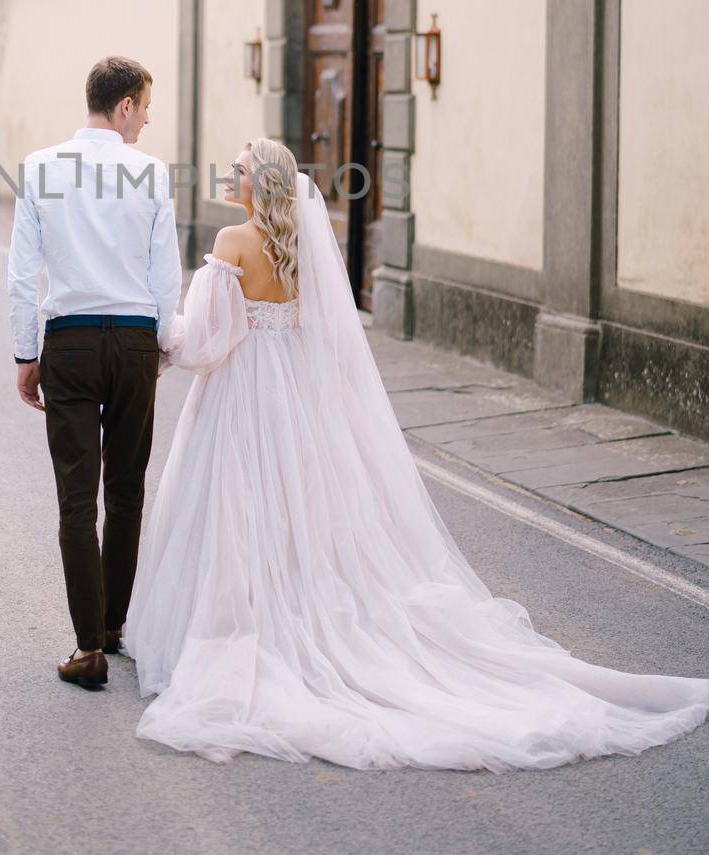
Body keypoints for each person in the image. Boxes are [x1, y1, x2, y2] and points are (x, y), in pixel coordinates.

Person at [122, 137, 709, 771]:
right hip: (290, 398)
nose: (227, 176)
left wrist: (163, 343)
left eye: (236, 170)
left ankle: (249, 621)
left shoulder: (233, 242)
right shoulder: (299, 249)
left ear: (257, 183)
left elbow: (210, 341)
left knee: (235, 507)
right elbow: (318, 335)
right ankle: (300, 610)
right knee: (297, 507)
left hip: (240, 397)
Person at [7, 56, 183, 689]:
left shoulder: (40, 168)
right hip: (134, 340)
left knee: (76, 499)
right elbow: (167, 272)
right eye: (145, 108)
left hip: (70, 343)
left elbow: (24, 274)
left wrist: (27, 356)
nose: (146, 120)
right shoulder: (152, 174)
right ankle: (114, 624)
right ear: (126, 105)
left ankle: (88, 649)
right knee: (128, 491)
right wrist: (160, 348)